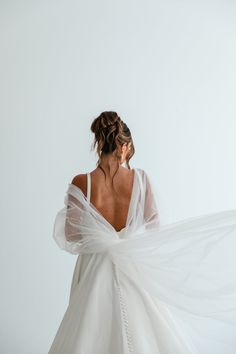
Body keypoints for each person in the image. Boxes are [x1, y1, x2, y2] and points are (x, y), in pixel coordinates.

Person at [48, 111, 236, 354]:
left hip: (94, 268)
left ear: (98, 143)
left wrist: (100, 235)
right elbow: (153, 227)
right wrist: (127, 238)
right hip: (133, 268)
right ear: (124, 146)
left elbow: (71, 235)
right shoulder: (141, 179)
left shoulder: (82, 182)